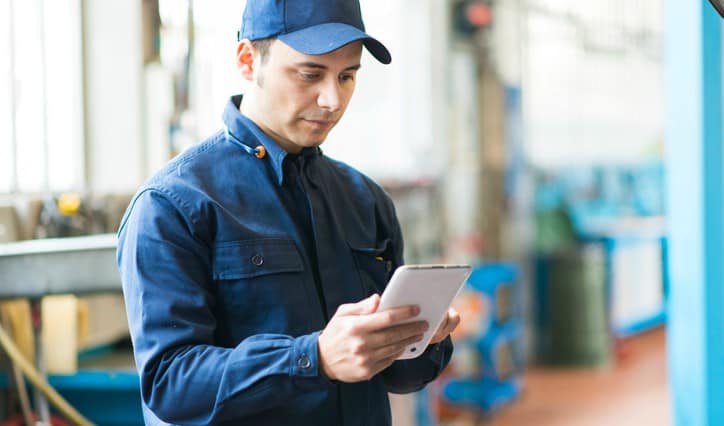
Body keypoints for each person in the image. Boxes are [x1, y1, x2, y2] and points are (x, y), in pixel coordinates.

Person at [117, 0, 460, 424]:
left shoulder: (365, 200)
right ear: (248, 60)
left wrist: (420, 340)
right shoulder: (174, 205)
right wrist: (313, 359)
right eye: (310, 74)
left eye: (347, 76)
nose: (333, 99)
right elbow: (169, 382)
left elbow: (398, 377)